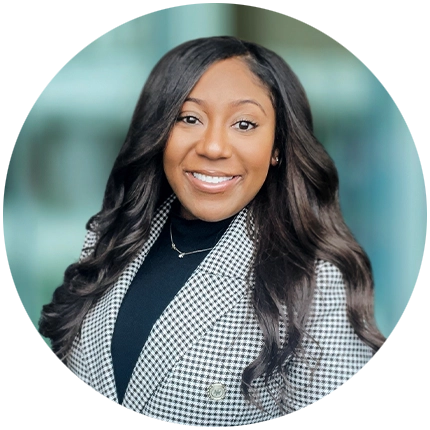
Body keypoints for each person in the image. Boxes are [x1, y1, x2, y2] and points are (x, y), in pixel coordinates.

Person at [39, 36, 386, 427]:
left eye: (244, 124)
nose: (214, 147)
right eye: (189, 118)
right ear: (158, 133)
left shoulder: (315, 281)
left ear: (277, 147)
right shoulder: (111, 239)